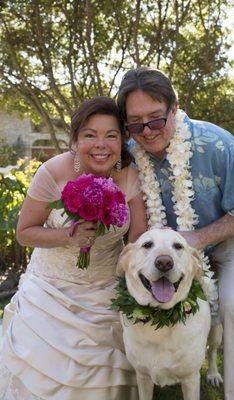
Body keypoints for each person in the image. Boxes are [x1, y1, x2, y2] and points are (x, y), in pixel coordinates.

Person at [117, 67, 234, 400]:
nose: (147, 131)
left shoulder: (215, 143)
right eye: (135, 122)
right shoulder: (131, 153)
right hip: (179, 248)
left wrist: (200, 238)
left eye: (156, 119)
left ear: (174, 108)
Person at [0, 97, 147, 400]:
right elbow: (24, 234)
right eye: (90, 135)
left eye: (111, 135)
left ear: (122, 140)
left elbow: (137, 237)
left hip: (106, 289)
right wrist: (68, 236)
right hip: (50, 291)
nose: (101, 145)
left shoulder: (129, 176)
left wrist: (133, 286)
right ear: (76, 139)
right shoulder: (53, 172)